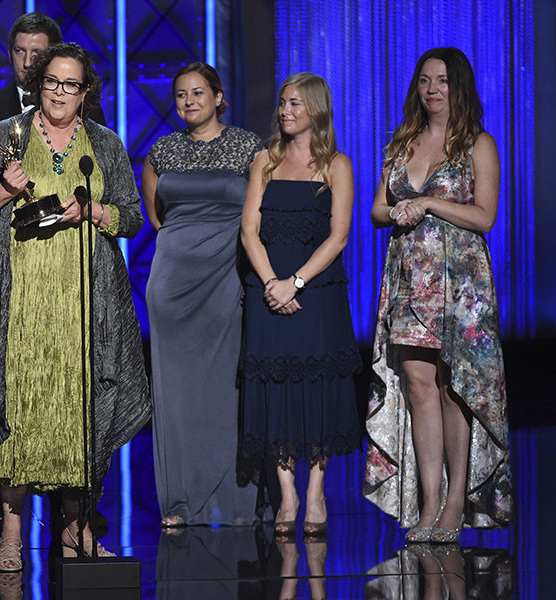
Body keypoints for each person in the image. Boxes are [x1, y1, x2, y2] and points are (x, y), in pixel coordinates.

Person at [0, 43, 151, 572]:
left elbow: (133, 217)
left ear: (86, 91)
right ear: (39, 82)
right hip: (17, 303)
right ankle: (11, 530)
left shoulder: (106, 144)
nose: (59, 93)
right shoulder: (5, 135)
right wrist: (4, 189)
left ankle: (75, 526)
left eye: (71, 85)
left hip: (79, 304)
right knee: (19, 412)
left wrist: (93, 210)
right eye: (51, 81)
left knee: (74, 414)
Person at [363, 48, 513, 542]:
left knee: (453, 389)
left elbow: (485, 216)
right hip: (409, 279)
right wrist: (400, 212)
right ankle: (427, 504)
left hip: (460, 284)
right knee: (419, 385)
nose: (432, 89)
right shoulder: (402, 143)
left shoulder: (478, 145)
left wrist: (428, 202)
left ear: (459, 86)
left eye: (442, 81)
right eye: (425, 81)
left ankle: (454, 505)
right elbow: (377, 211)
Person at [239, 73, 362, 538]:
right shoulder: (264, 162)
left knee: (319, 388)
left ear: (316, 109)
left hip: (317, 291)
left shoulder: (336, 165)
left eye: (295, 103)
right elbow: (249, 230)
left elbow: (339, 235)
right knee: (275, 389)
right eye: (282, 102)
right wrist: (273, 283)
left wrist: (296, 283)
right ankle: (287, 493)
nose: (285, 111)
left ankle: (315, 492)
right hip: (267, 287)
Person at [142, 62, 261, 527]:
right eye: (180, 95)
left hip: (227, 272)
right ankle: (180, 502)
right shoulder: (163, 150)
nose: (188, 102)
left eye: (197, 93)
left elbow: (258, 212)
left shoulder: (248, 146)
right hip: (172, 281)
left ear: (218, 97)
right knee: (175, 392)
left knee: (225, 386)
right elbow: (157, 216)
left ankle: (235, 500)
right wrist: (183, 245)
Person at [0, 12, 106, 193]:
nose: (27, 63)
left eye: (37, 53)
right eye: (20, 51)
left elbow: (106, 179)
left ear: (54, 57)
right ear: (10, 54)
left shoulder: (86, 109)